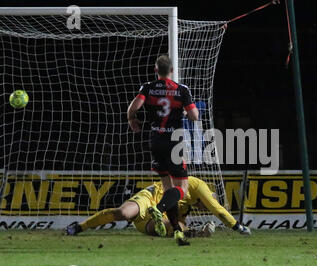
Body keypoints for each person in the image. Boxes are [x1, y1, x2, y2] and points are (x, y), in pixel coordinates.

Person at [127, 54, 199, 245]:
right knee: (181, 188)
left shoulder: (148, 88)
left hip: (155, 140)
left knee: (167, 188)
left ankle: (176, 231)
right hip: (173, 141)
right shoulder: (181, 90)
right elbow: (194, 116)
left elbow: (133, 107)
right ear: (172, 71)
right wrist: (184, 110)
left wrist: (132, 119)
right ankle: (158, 208)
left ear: (156, 70)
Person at [65, 176, 251, 238]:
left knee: (174, 227)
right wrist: (236, 226)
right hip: (149, 199)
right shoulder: (198, 186)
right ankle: (80, 226)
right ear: (206, 197)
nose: (206, 207)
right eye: (208, 203)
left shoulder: (188, 206)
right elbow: (218, 210)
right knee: (122, 213)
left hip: (154, 220)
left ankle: (196, 233)